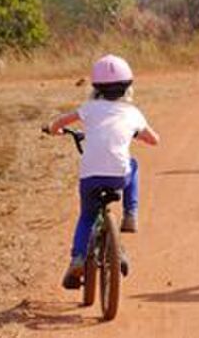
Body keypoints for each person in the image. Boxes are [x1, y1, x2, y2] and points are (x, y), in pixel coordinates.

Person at [44, 54, 160, 288]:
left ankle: (77, 258)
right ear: (128, 87)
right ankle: (130, 213)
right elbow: (154, 140)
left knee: (87, 215)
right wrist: (137, 133)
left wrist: (53, 130)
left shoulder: (89, 108)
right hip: (119, 177)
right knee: (133, 164)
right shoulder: (132, 112)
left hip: (90, 177)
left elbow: (59, 123)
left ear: (95, 87)